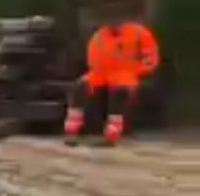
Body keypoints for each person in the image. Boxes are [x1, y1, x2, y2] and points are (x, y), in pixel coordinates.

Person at [63, 8, 160, 146]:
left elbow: (151, 57)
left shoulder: (140, 33)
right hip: (101, 73)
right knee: (79, 86)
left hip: (126, 73)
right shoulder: (100, 35)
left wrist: (139, 71)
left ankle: (112, 134)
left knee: (119, 92)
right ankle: (71, 132)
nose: (113, 22)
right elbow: (92, 59)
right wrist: (98, 71)